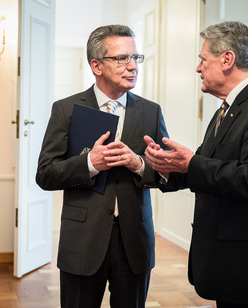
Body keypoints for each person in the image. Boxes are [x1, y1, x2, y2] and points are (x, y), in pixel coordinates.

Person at [144, 21, 248, 308]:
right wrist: (165, 165)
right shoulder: (227, 108)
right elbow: (204, 168)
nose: (198, 68)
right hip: (233, 263)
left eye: (202, 59)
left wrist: (190, 163)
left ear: (227, 59)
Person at [36, 24, 169, 308]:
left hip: (134, 240)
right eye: (122, 58)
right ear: (96, 65)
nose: (133, 66)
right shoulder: (66, 109)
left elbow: (167, 175)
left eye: (136, 57)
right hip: (82, 241)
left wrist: (139, 164)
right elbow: (46, 174)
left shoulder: (151, 111)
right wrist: (89, 164)